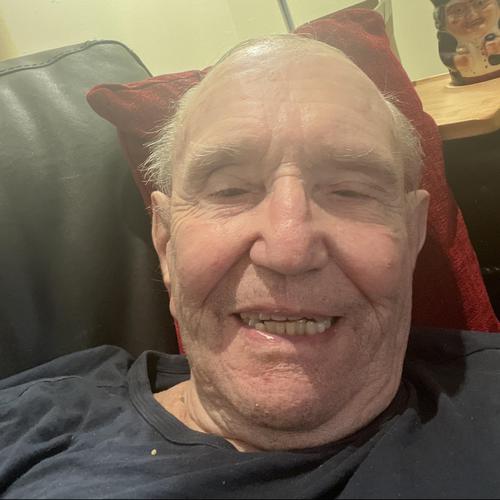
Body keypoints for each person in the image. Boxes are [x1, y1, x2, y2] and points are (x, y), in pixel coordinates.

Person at [1, 35, 500, 499]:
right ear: (166, 242)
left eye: (350, 191)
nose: (288, 249)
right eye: (230, 190)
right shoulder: (27, 424)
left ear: (413, 234)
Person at [432, 0, 500, 84]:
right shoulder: (448, 38)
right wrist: (456, 61)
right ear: (442, 18)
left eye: (480, 3)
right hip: (469, 84)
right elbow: (446, 54)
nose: (473, 15)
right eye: (458, 10)